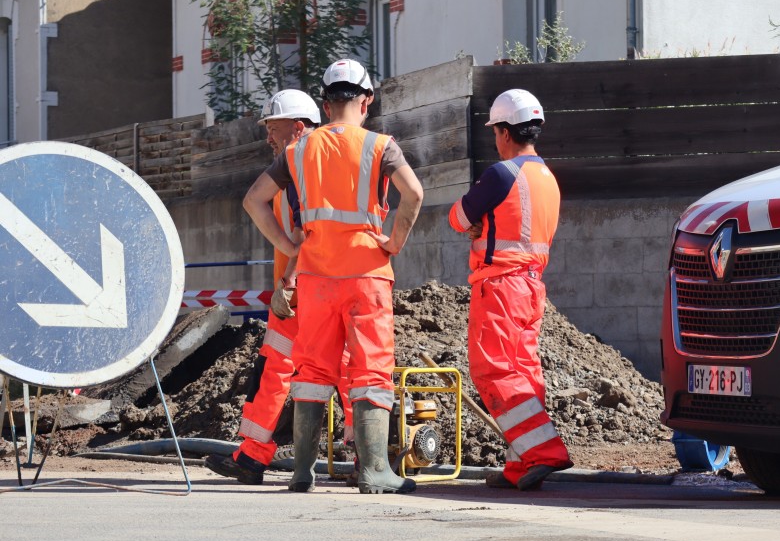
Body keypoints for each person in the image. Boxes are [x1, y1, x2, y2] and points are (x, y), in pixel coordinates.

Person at [243, 58, 423, 494]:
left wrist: (290, 249)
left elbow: (253, 201)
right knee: (370, 372)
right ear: (366, 101)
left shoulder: (298, 149)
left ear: (325, 106)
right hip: (367, 275)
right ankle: (375, 470)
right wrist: (393, 242)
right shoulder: (381, 145)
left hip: (315, 278)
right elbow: (414, 193)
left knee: (310, 371)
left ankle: (302, 472)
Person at [205, 89, 354, 485]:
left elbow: (309, 234)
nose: (268, 137)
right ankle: (255, 455)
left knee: (316, 368)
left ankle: (257, 456)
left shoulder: (300, 170)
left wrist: (288, 278)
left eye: (273, 128)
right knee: (303, 367)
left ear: (298, 127)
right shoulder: (309, 167)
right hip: (312, 288)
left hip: (304, 291)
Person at [448, 89, 573, 491]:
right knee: (525, 374)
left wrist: (477, 224)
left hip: (500, 286)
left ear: (503, 132)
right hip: (533, 288)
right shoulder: (548, 178)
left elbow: (458, 216)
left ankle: (543, 453)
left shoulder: (502, 173)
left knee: (495, 371)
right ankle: (521, 465)